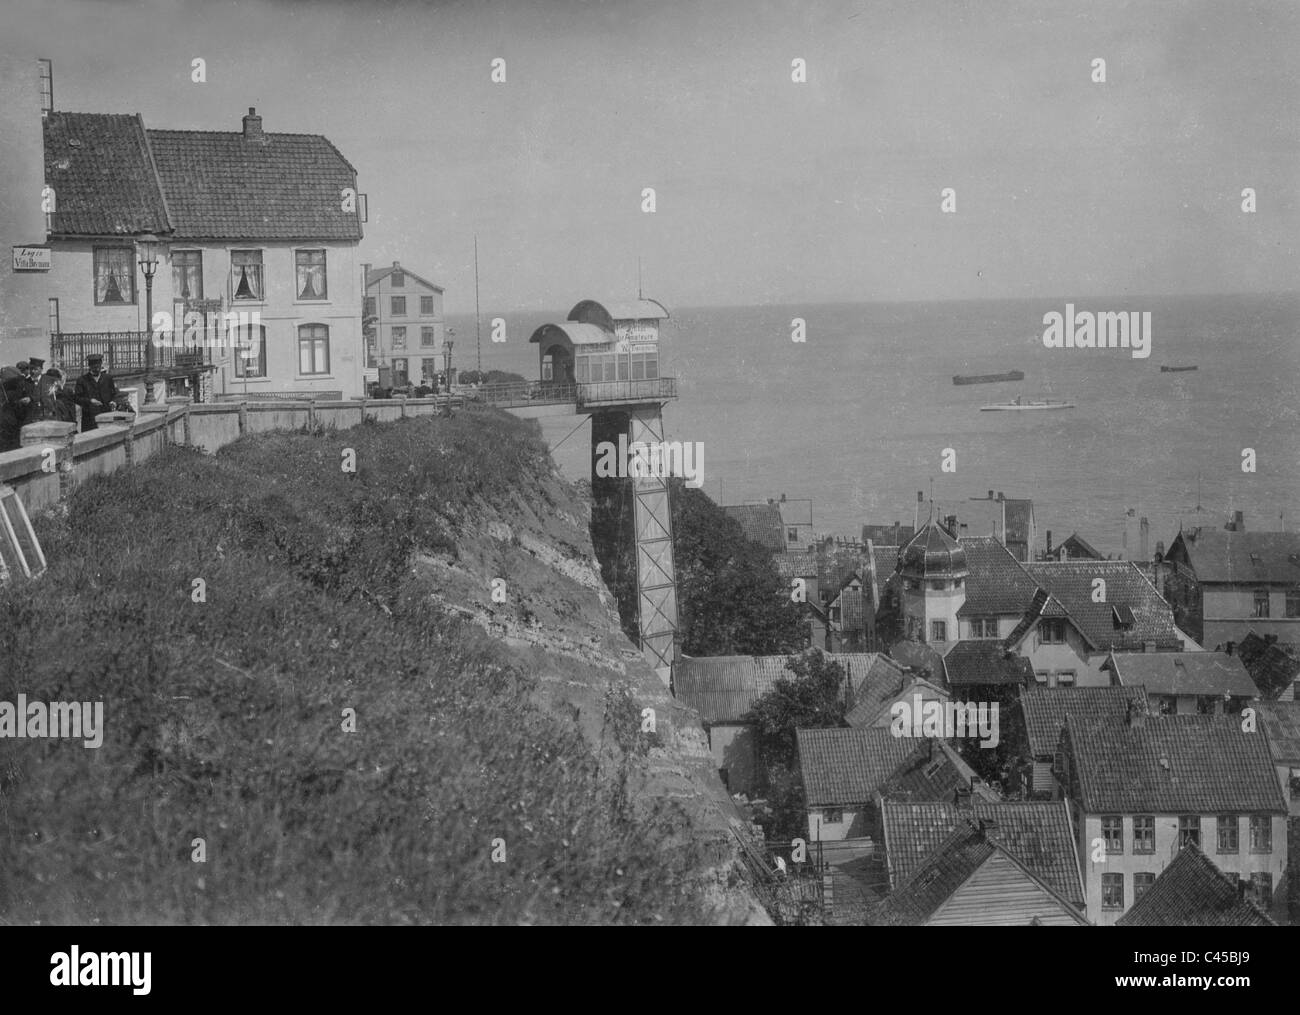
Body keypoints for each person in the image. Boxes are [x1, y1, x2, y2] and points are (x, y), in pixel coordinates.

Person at [74, 354, 132, 431]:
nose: (97, 369)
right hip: (90, 418)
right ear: (89, 366)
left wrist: (113, 401)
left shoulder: (108, 378)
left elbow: (115, 394)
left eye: (98, 367)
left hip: (106, 415)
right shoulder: (82, 380)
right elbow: (77, 398)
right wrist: (90, 401)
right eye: (94, 367)